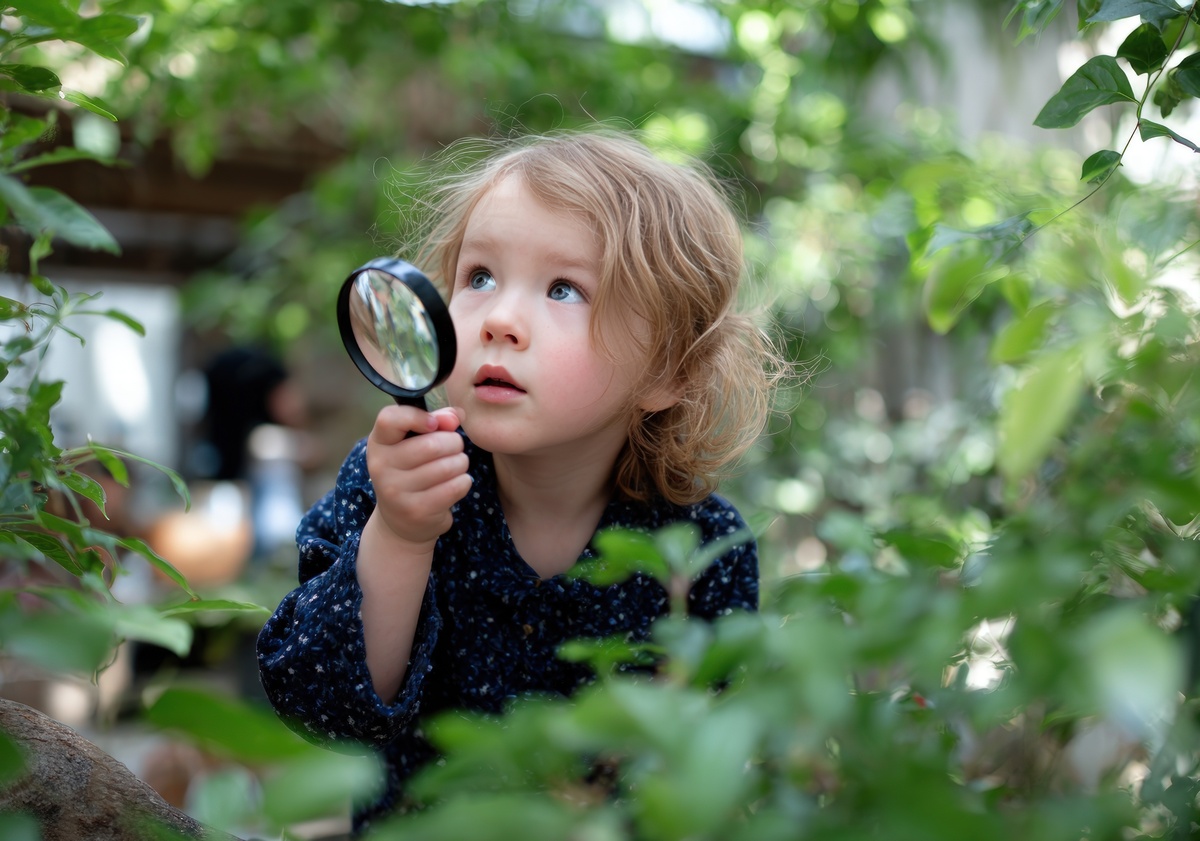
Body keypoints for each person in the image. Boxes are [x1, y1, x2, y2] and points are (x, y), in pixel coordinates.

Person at [256, 128, 780, 833]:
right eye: (479, 278)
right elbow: (325, 710)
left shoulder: (705, 550)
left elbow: (708, 781)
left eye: (565, 289)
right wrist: (401, 535)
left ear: (667, 372)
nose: (500, 319)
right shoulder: (389, 480)